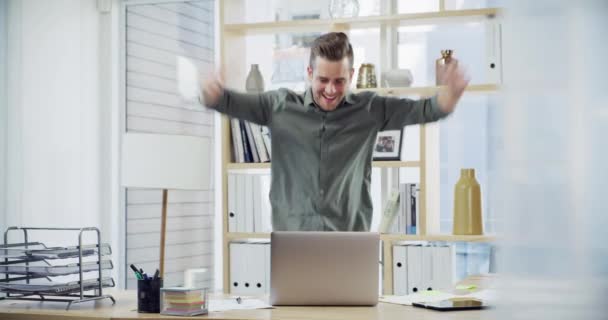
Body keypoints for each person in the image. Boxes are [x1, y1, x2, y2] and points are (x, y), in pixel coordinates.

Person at [201, 32, 468, 231]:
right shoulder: (278, 106)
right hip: (292, 244)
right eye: (323, 80)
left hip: (350, 242)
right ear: (309, 73)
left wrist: (449, 97)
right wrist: (211, 93)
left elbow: (424, 110)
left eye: (339, 81)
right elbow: (226, 102)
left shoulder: (369, 109)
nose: (330, 90)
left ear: (350, 76)